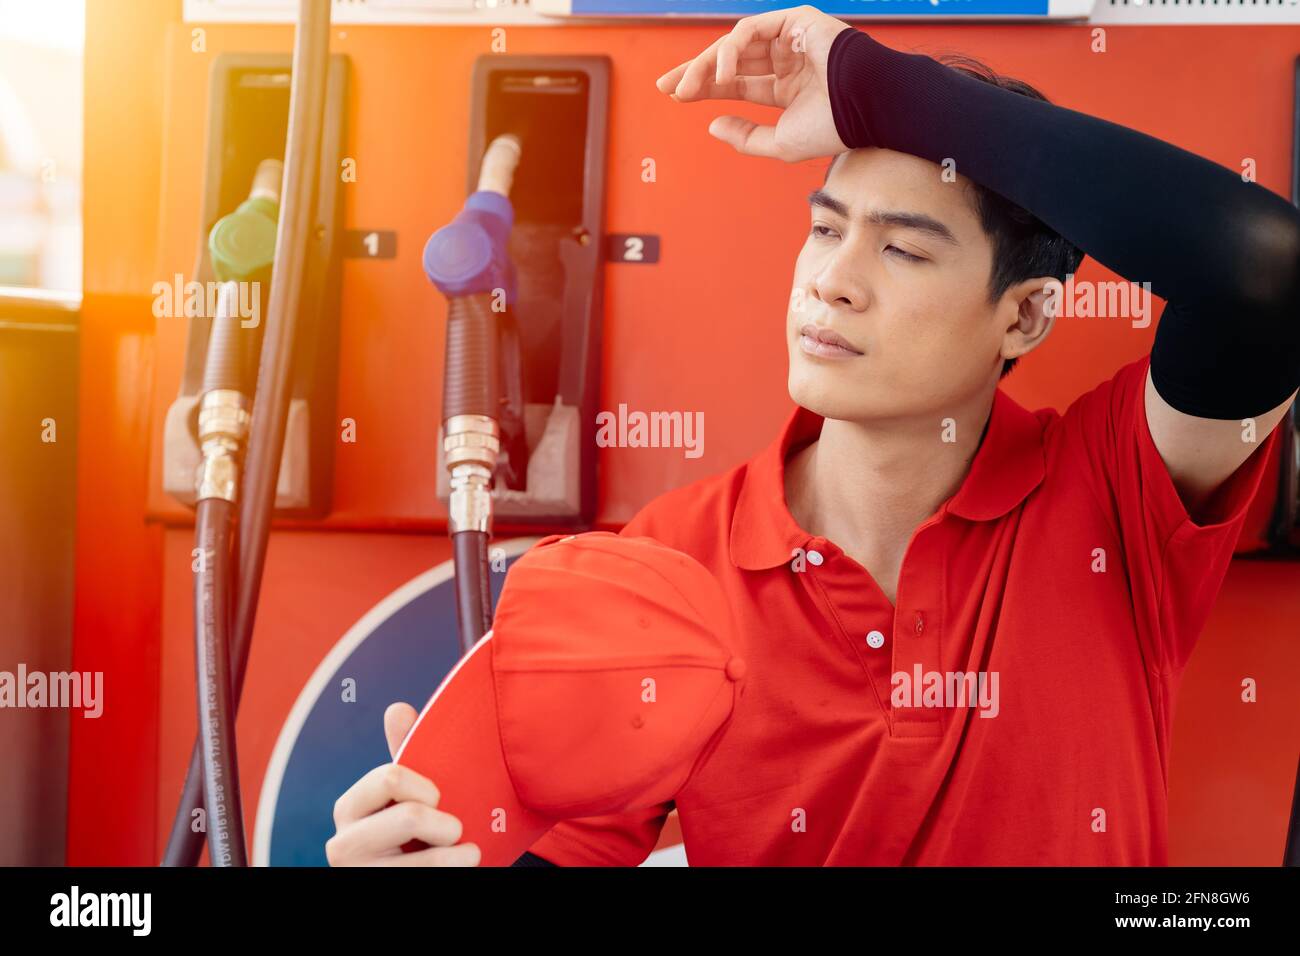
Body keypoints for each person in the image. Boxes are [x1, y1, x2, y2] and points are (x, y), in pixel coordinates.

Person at [326, 5, 1300, 867]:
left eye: (904, 246)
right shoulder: (673, 563)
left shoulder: (1113, 489)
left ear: (1026, 316)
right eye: (825, 227)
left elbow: (1264, 271)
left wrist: (872, 85)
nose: (832, 279)